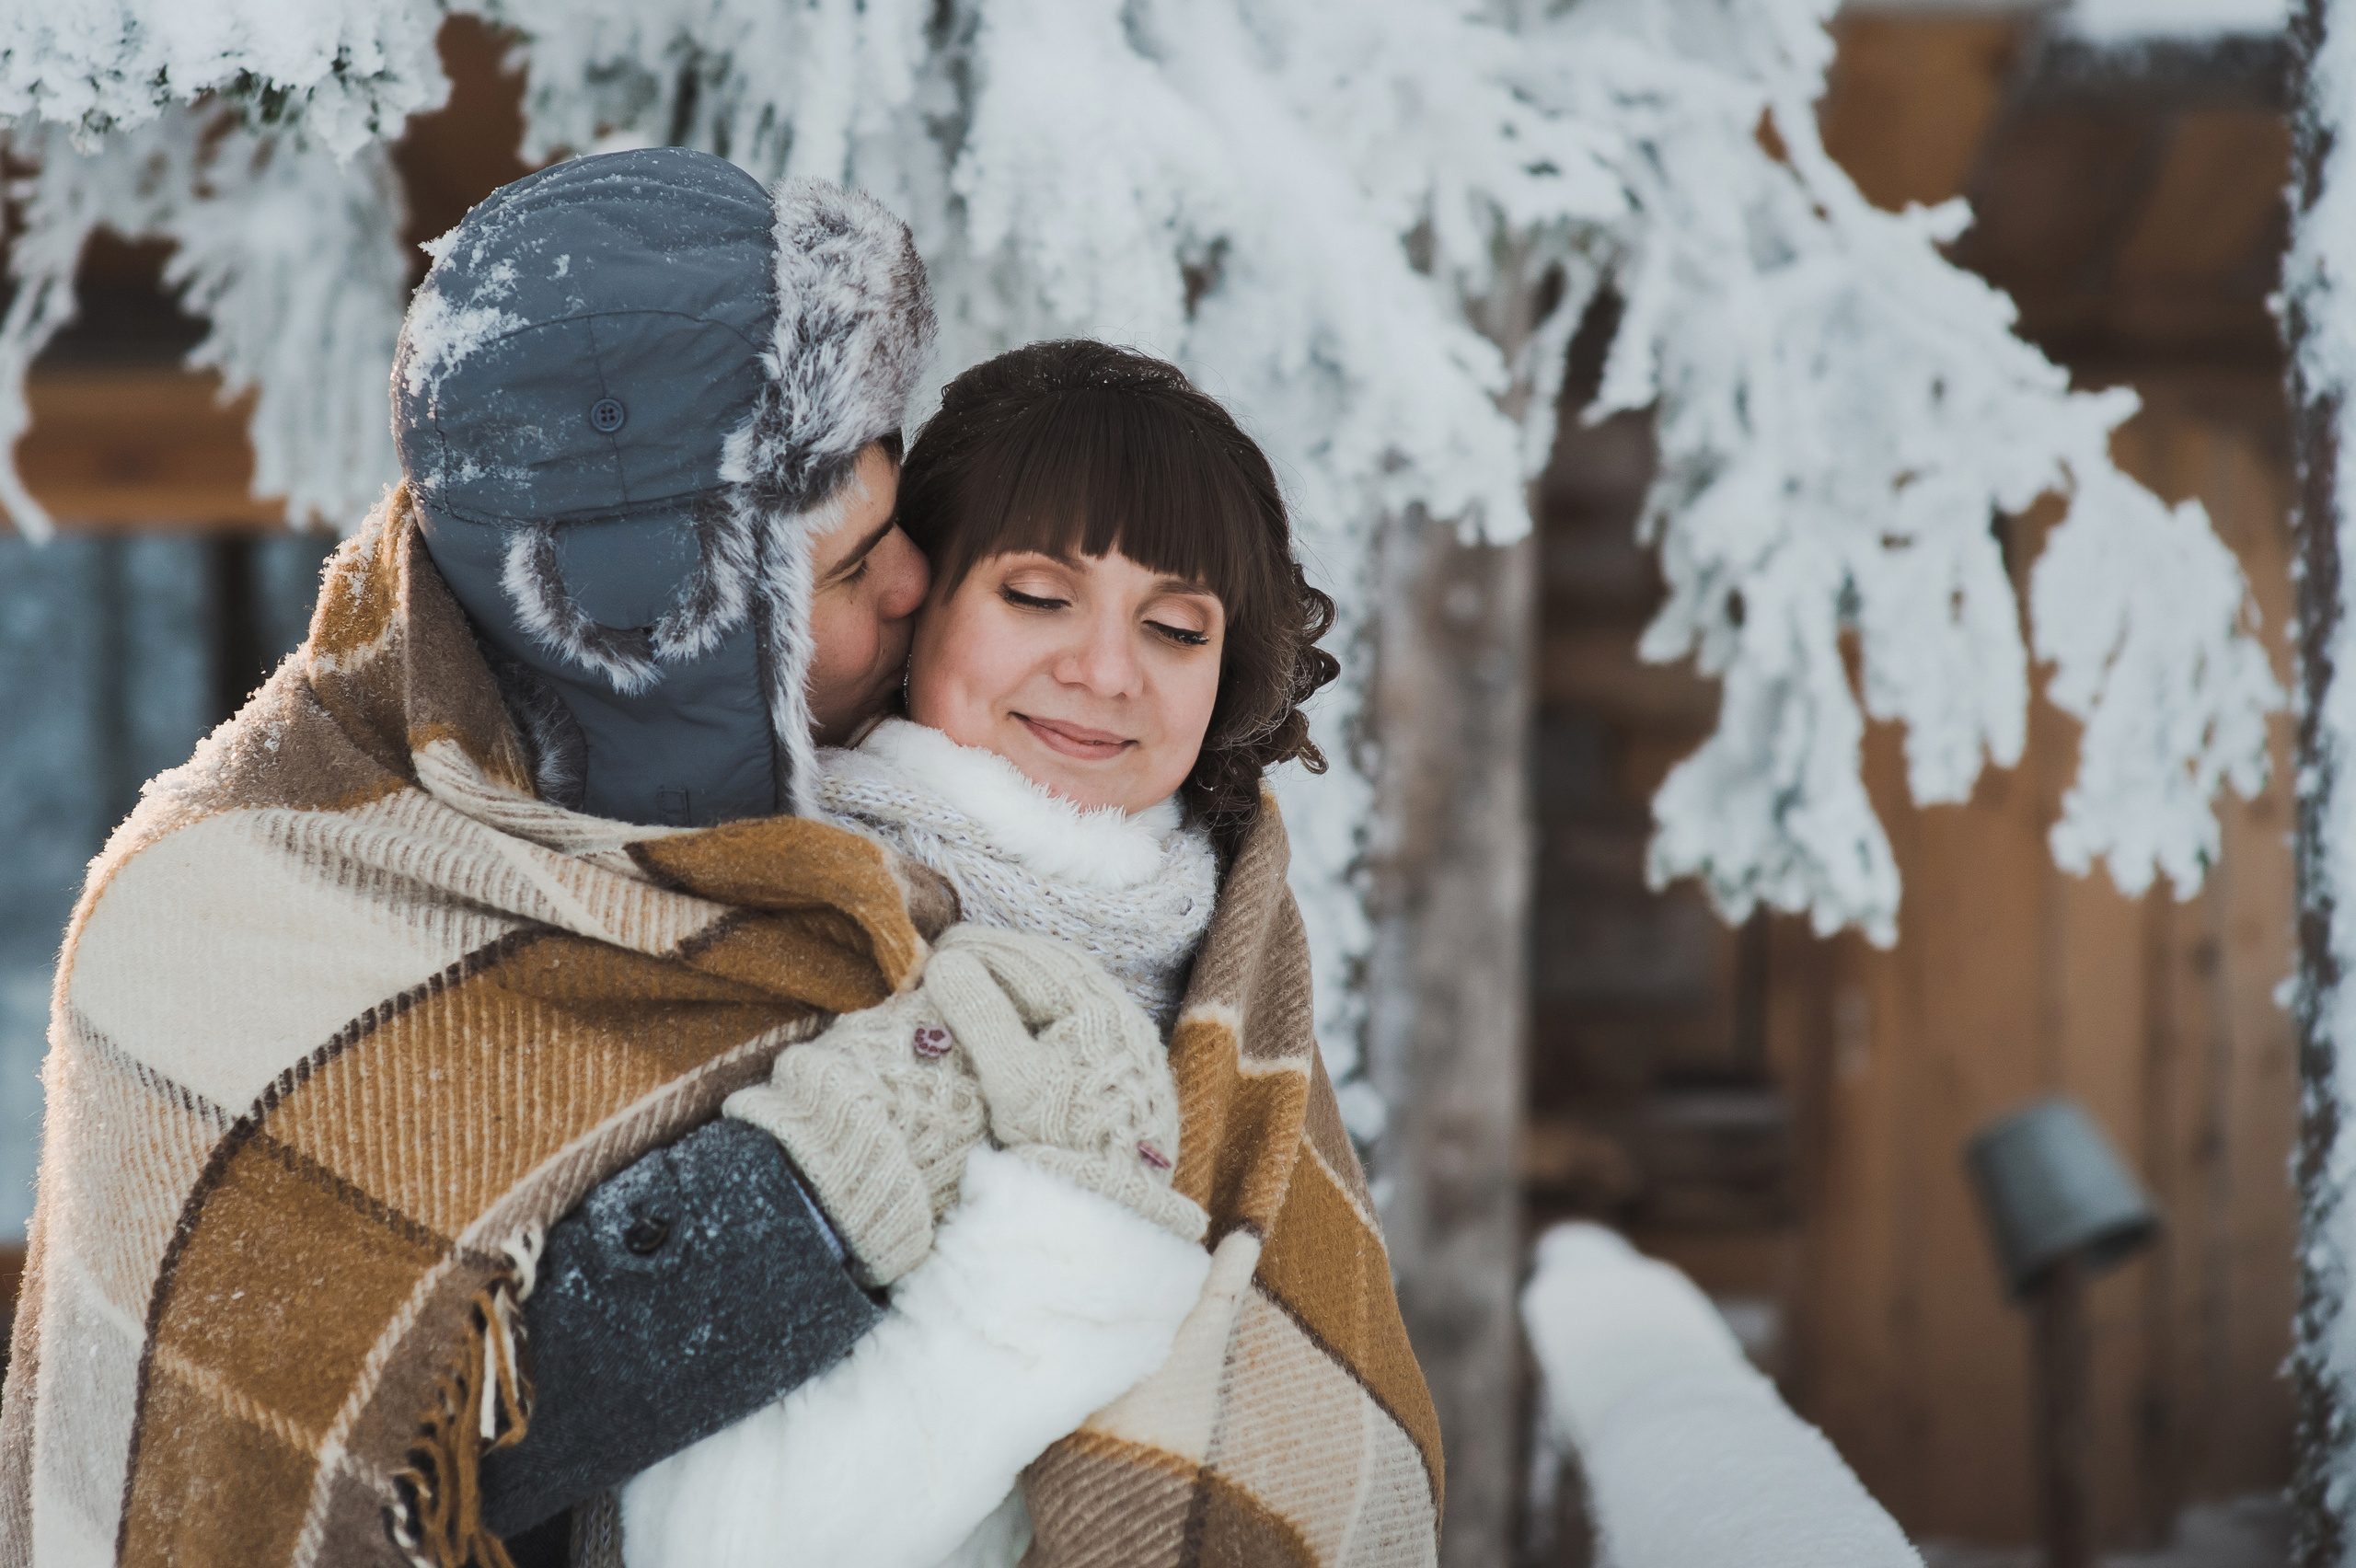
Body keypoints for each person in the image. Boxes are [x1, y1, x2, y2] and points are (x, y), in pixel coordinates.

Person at [0, 151, 1159, 1568]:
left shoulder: (891, 802)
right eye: (849, 574)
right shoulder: (224, 915)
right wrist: (830, 1172)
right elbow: (396, 1448)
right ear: (656, 637)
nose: (918, 583)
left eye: (897, 523)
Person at [618, 343, 1444, 1568]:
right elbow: (709, 1539)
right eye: (1037, 597)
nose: (1106, 672)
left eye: (1173, 627)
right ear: (915, 600)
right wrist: (1068, 1248)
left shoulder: (1233, 975)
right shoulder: (758, 919)